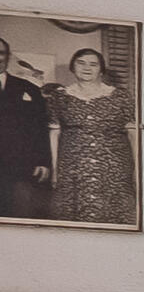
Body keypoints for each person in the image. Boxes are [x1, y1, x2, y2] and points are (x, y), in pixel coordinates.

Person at [46, 47, 137, 226]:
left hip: (114, 168)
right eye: (81, 63)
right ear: (72, 67)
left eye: (93, 64)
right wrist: (55, 169)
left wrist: (137, 169)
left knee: (114, 215)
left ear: (101, 69)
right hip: (72, 168)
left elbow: (133, 134)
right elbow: (54, 134)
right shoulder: (58, 97)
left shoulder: (121, 97)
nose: (87, 68)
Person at [0, 39, 50, 221]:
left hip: (20, 168)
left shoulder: (28, 88)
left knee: (20, 220)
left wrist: (44, 161)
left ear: (8, 56)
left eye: (1, 53)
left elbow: (40, 127)